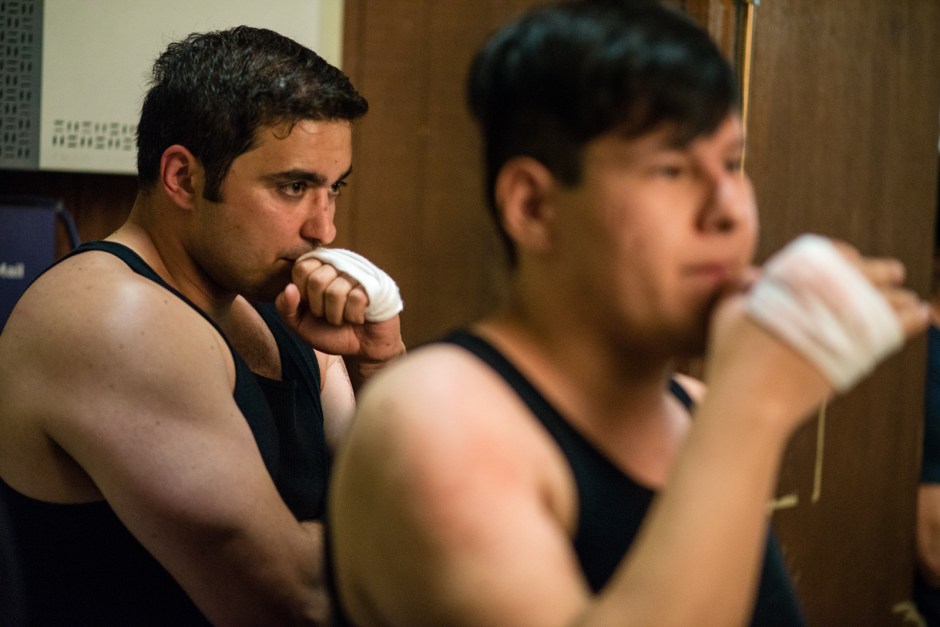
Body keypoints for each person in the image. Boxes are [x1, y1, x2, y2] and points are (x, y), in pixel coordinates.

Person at [326, 1, 930, 625]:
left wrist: (737, 411)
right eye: (671, 169)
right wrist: (754, 406)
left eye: (731, 164)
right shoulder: (435, 420)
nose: (728, 211)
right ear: (533, 207)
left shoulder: (698, 413)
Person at [0, 26, 405, 626]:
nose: (324, 229)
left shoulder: (276, 310)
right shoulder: (114, 319)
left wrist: (378, 359)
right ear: (183, 178)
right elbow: (293, 598)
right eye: (293, 187)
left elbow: (409, 493)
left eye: (333, 189)